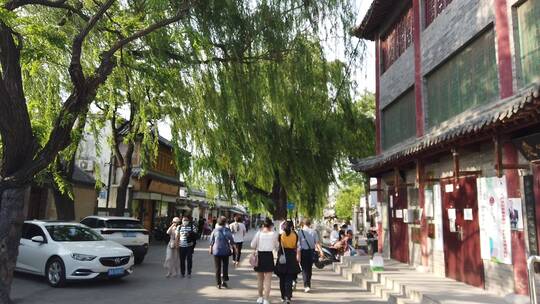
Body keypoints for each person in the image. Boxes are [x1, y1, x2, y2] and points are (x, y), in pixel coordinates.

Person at [251, 218, 278, 304]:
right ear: (271, 226)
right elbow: (277, 246)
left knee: (260, 279)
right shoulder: (274, 234)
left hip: (260, 256)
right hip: (269, 256)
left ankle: (260, 297)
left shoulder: (259, 233)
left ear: (263, 225)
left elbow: (252, 245)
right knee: (268, 280)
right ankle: (266, 299)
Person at [275, 220, 301, 304]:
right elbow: (296, 246)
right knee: (289, 279)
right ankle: (288, 296)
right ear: (291, 226)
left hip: (282, 257)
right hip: (291, 258)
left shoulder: (281, 235)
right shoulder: (295, 235)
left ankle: (283, 296)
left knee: (282, 278)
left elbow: (278, 247)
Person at [209, 216, 235, 289]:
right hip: (225, 250)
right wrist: (234, 247)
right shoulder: (227, 230)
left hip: (216, 250)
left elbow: (211, 240)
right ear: (225, 222)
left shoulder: (215, 230)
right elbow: (231, 240)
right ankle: (224, 281)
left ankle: (218, 283)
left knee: (217, 267)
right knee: (225, 266)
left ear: (218, 222)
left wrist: (210, 248)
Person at [298, 218, 323, 293]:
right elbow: (317, 243)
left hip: (303, 252)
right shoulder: (314, 232)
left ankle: (306, 285)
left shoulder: (300, 232)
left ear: (303, 223)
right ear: (310, 223)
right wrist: (321, 251)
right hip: (311, 252)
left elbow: (298, 245)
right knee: (309, 268)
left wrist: (298, 254)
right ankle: (308, 284)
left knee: (304, 269)